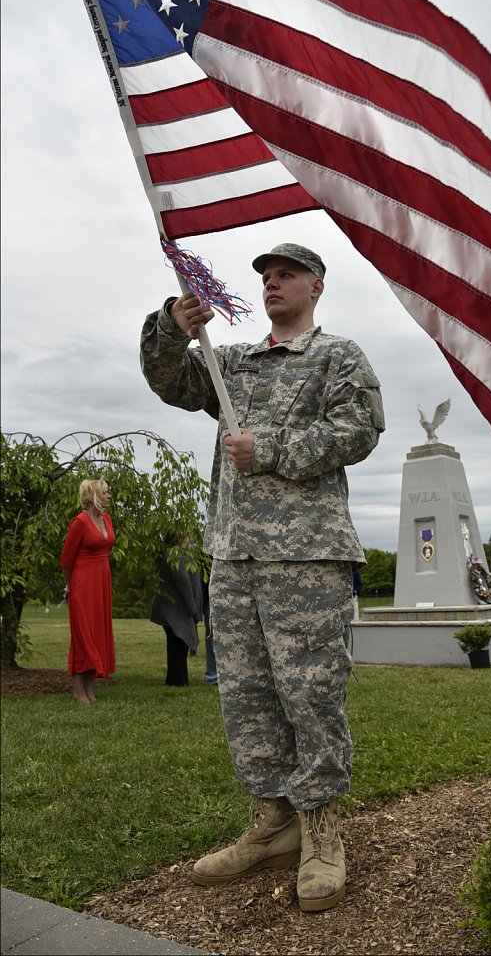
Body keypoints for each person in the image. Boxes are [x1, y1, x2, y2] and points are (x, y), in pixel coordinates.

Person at [140, 242, 384, 911]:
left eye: (285, 275)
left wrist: (271, 448)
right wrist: (173, 322)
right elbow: (170, 380)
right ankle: (272, 822)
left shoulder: (337, 356)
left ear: (317, 285)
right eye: (266, 278)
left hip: (306, 556)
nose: (273, 284)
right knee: (245, 698)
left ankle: (322, 830)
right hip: (236, 555)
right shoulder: (236, 363)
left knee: (310, 694)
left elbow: (361, 427)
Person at [60, 479, 116, 704]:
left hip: (102, 583)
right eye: (105, 492)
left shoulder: (106, 519)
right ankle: (78, 691)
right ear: (93, 496)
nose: (109, 496)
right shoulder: (79, 523)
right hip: (82, 584)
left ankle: (90, 689)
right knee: (82, 636)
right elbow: (66, 561)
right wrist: (70, 586)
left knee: (97, 633)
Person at [151, 536, 201, 686]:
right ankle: (178, 681)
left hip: (174, 608)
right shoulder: (176, 554)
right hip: (176, 609)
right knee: (178, 645)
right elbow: (182, 580)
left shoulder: (178, 553)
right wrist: (192, 606)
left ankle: (175, 680)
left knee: (176, 646)